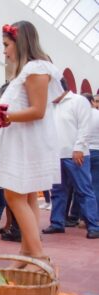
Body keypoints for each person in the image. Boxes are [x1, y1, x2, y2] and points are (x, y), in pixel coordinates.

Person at [0, 21, 64, 265]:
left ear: (21, 42)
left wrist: (3, 116)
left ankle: (38, 255)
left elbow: (38, 110)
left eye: (6, 45)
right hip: (20, 139)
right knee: (26, 197)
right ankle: (27, 252)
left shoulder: (36, 68)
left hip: (26, 142)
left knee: (14, 196)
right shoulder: (26, 71)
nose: (4, 51)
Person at [41, 80, 99, 239]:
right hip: (56, 155)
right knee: (57, 192)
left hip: (76, 154)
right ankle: (57, 223)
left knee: (83, 190)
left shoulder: (79, 101)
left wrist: (79, 147)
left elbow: (84, 126)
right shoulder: (50, 105)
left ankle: (93, 225)